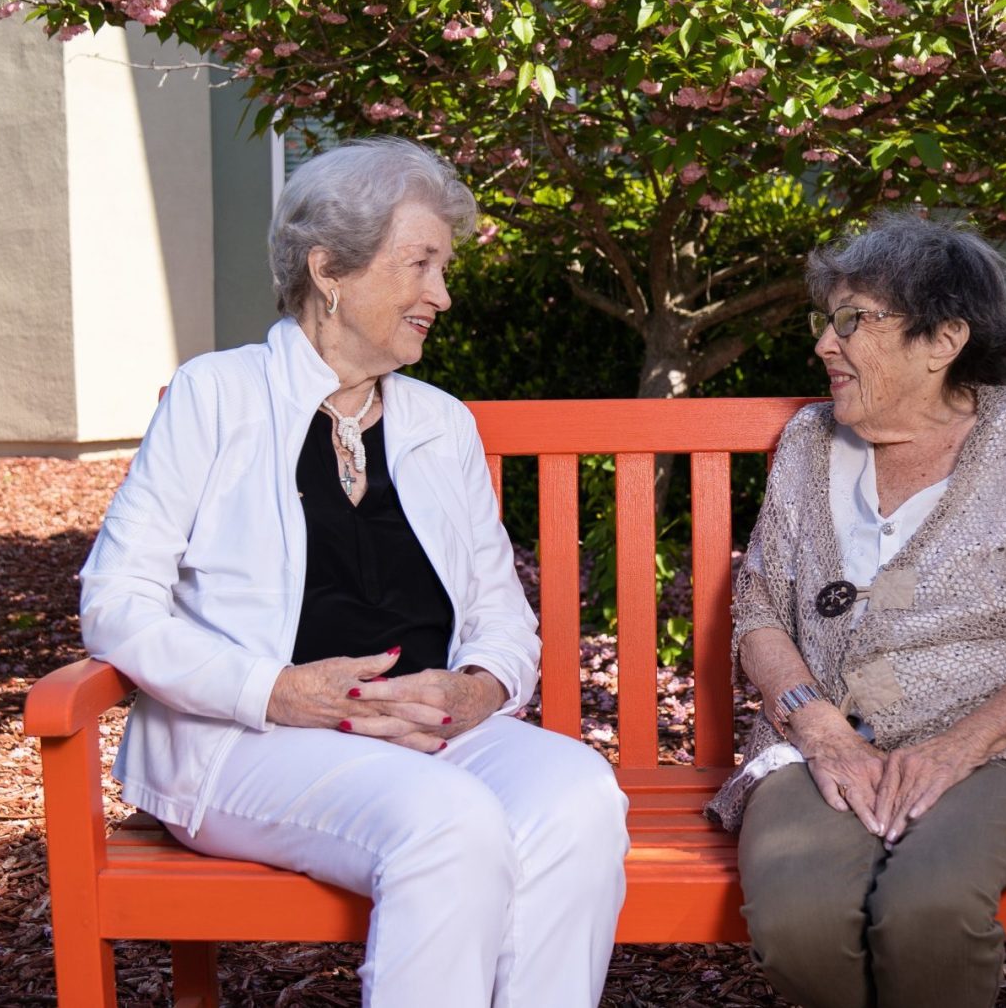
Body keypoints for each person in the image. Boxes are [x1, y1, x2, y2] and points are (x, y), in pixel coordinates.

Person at [79, 137, 629, 1008]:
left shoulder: (439, 424)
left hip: (426, 732)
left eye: (442, 269)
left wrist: (478, 690)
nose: (441, 296)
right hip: (251, 742)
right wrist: (278, 691)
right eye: (421, 264)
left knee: (579, 795)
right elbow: (116, 604)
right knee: (448, 824)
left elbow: (501, 613)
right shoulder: (215, 397)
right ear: (329, 268)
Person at [709, 212, 1006, 1007]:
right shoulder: (809, 441)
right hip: (824, 740)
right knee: (799, 918)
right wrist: (820, 728)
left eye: (852, 322)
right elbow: (761, 606)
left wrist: (961, 746)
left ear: (942, 341)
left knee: (928, 907)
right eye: (823, 321)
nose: (824, 346)